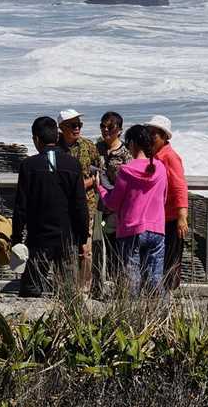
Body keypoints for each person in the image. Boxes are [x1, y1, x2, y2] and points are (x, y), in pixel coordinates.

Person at [12, 116, 89, 297]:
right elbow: (80, 204)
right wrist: (82, 237)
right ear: (56, 137)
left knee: (31, 291)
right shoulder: (73, 164)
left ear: (36, 139)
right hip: (67, 238)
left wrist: (16, 238)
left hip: (39, 239)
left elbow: (20, 207)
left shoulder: (28, 165)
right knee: (69, 293)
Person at [99, 125, 168, 295]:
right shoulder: (160, 168)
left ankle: (131, 316)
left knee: (131, 280)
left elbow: (112, 204)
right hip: (157, 228)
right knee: (155, 278)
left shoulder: (127, 170)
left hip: (131, 229)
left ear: (132, 144)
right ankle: (160, 314)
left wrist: (99, 188)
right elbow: (164, 198)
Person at [56, 109, 100, 292]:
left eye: (79, 125)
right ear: (61, 128)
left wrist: (89, 182)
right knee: (63, 248)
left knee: (85, 250)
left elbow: (98, 171)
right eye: (73, 125)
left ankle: (84, 289)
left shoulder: (88, 146)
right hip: (62, 208)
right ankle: (63, 288)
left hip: (85, 206)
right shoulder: (55, 149)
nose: (77, 128)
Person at [146, 115, 188, 290]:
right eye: (149, 134)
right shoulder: (154, 156)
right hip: (158, 218)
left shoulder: (170, 157)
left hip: (170, 218)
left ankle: (168, 297)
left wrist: (181, 216)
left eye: (154, 134)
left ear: (164, 137)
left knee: (169, 261)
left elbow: (179, 186)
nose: (150, 138)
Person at [96, 111, 133, 276]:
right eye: (103, 126)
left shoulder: (126, 152)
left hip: (121, 211)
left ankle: (120, 282)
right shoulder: (97, 149)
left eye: (110, 127)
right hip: (101, 210)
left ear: (119, 130)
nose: (105, 130)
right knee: (103, 242)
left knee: (121, 247)